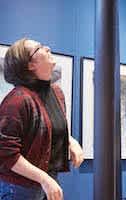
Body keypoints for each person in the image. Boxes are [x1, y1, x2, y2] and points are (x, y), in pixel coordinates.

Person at [0, 38, 84, 200]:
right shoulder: (17, 99)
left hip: (47, 179)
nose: (47, 47)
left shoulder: (56, 92)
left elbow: (50, 127)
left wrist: (70, 141)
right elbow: (5, 153)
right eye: (39, 48)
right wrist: (44, 178)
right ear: (30, 65)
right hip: (20, 188)